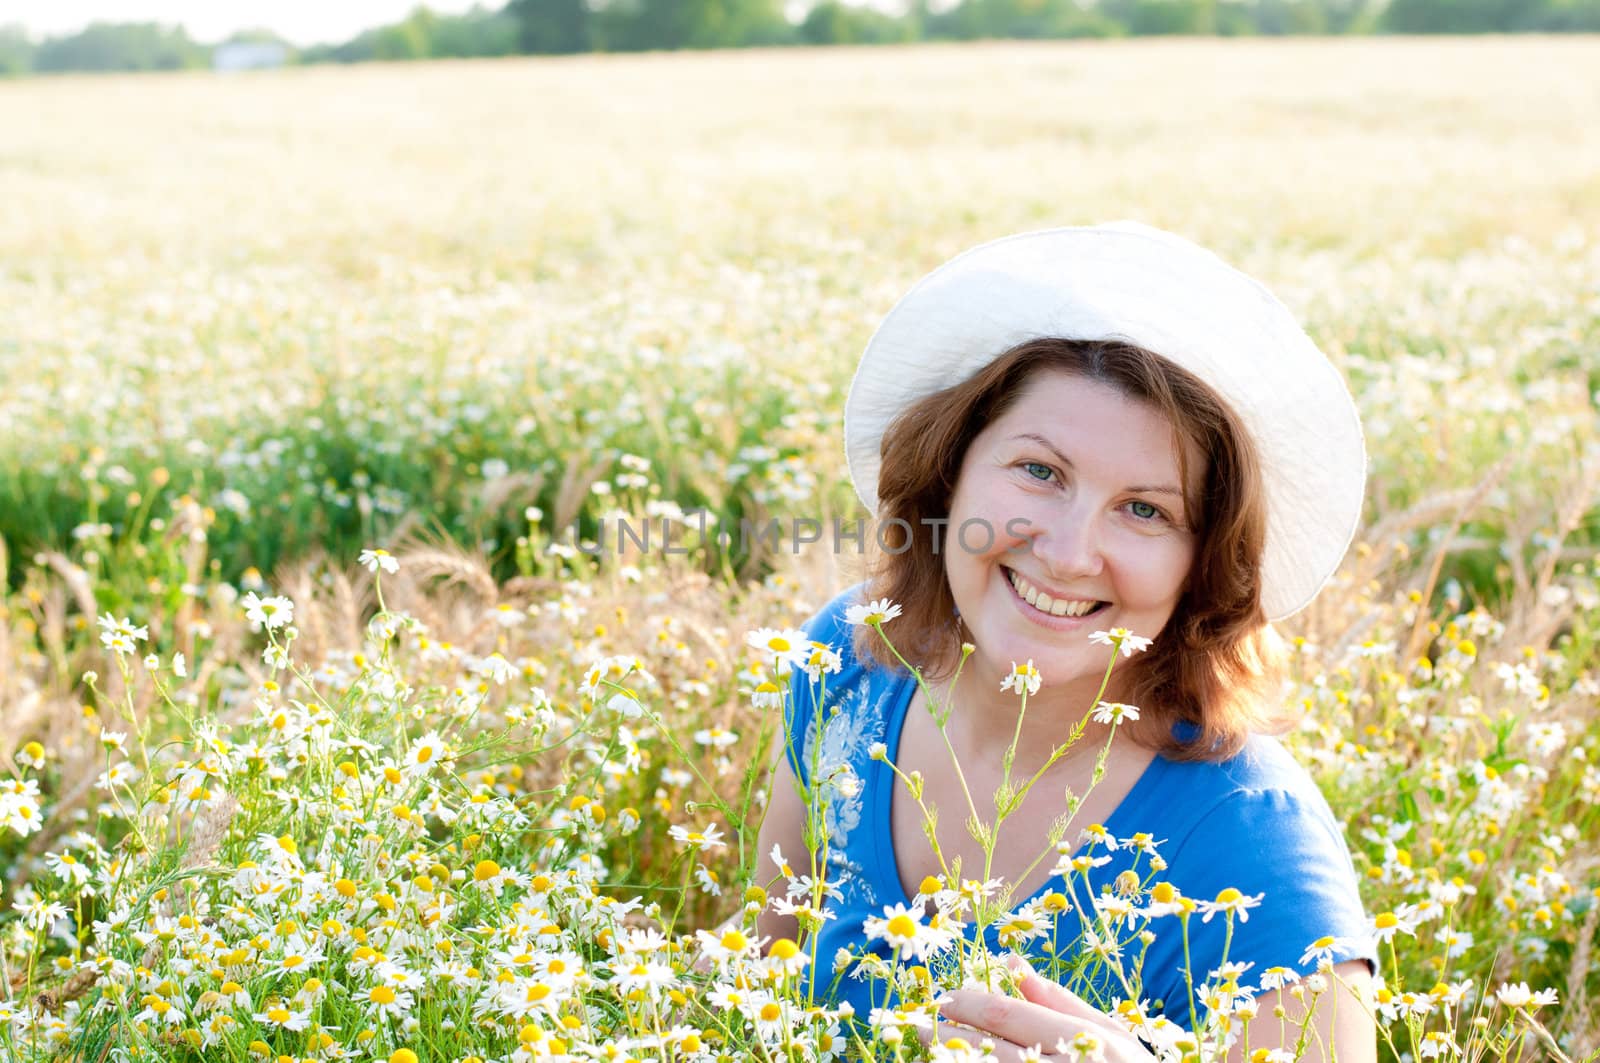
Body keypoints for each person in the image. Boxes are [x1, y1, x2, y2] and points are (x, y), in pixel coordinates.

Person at [754, 223, 1378, 1061]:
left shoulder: (1253, 853)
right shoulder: (852, 657)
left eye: (1146, 509)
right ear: (950, 474)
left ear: (1202, 566)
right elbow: (763, 992)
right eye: (1039, 471)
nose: (1070, 551)